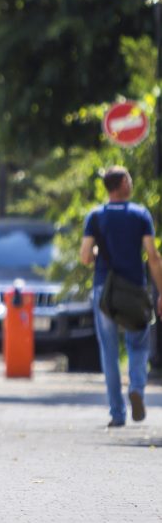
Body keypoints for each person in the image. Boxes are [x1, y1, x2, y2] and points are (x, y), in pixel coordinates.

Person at [79, 166, 162, 428]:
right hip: (135, 291)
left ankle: (117, 412)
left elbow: (84, 257)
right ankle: (136, 387)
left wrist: (94, 249)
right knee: (138, 344)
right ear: (124, 183)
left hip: (105, 291)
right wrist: (161, 291)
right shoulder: (140, 215)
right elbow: (153, 257)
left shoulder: (95, 216)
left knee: (109, 351)